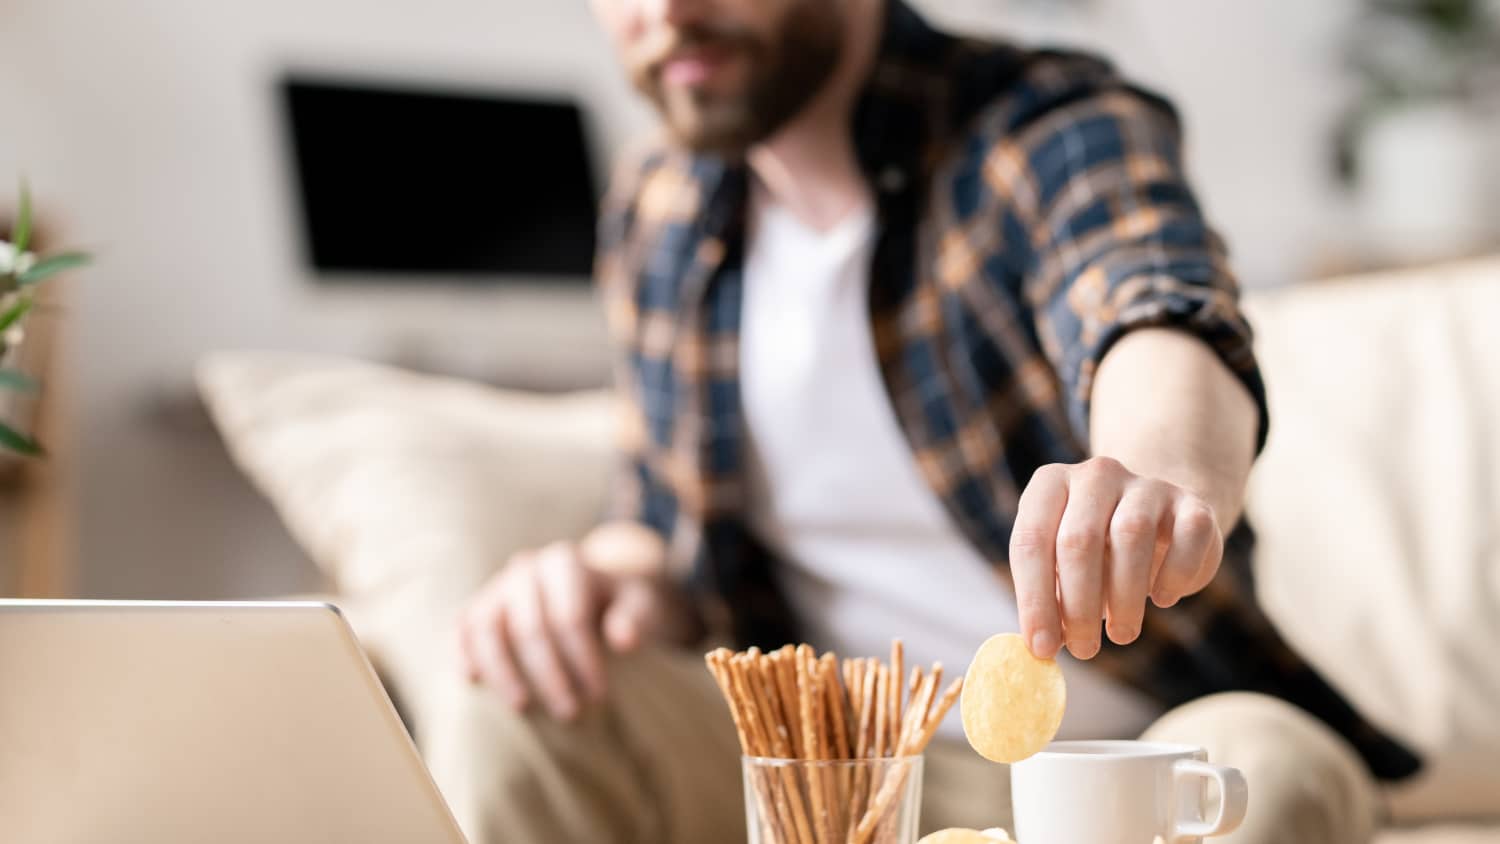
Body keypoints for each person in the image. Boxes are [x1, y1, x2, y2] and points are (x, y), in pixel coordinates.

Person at [441, 1, 1420, 841]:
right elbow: (661, 532)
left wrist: (1149, 470)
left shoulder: (1046, 123)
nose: (668, 8)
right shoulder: (658, 208)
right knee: (517, 709)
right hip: (838, 767)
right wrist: (601, 580)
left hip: (1128, 748)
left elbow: (1150, 303)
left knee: (1273, 774)